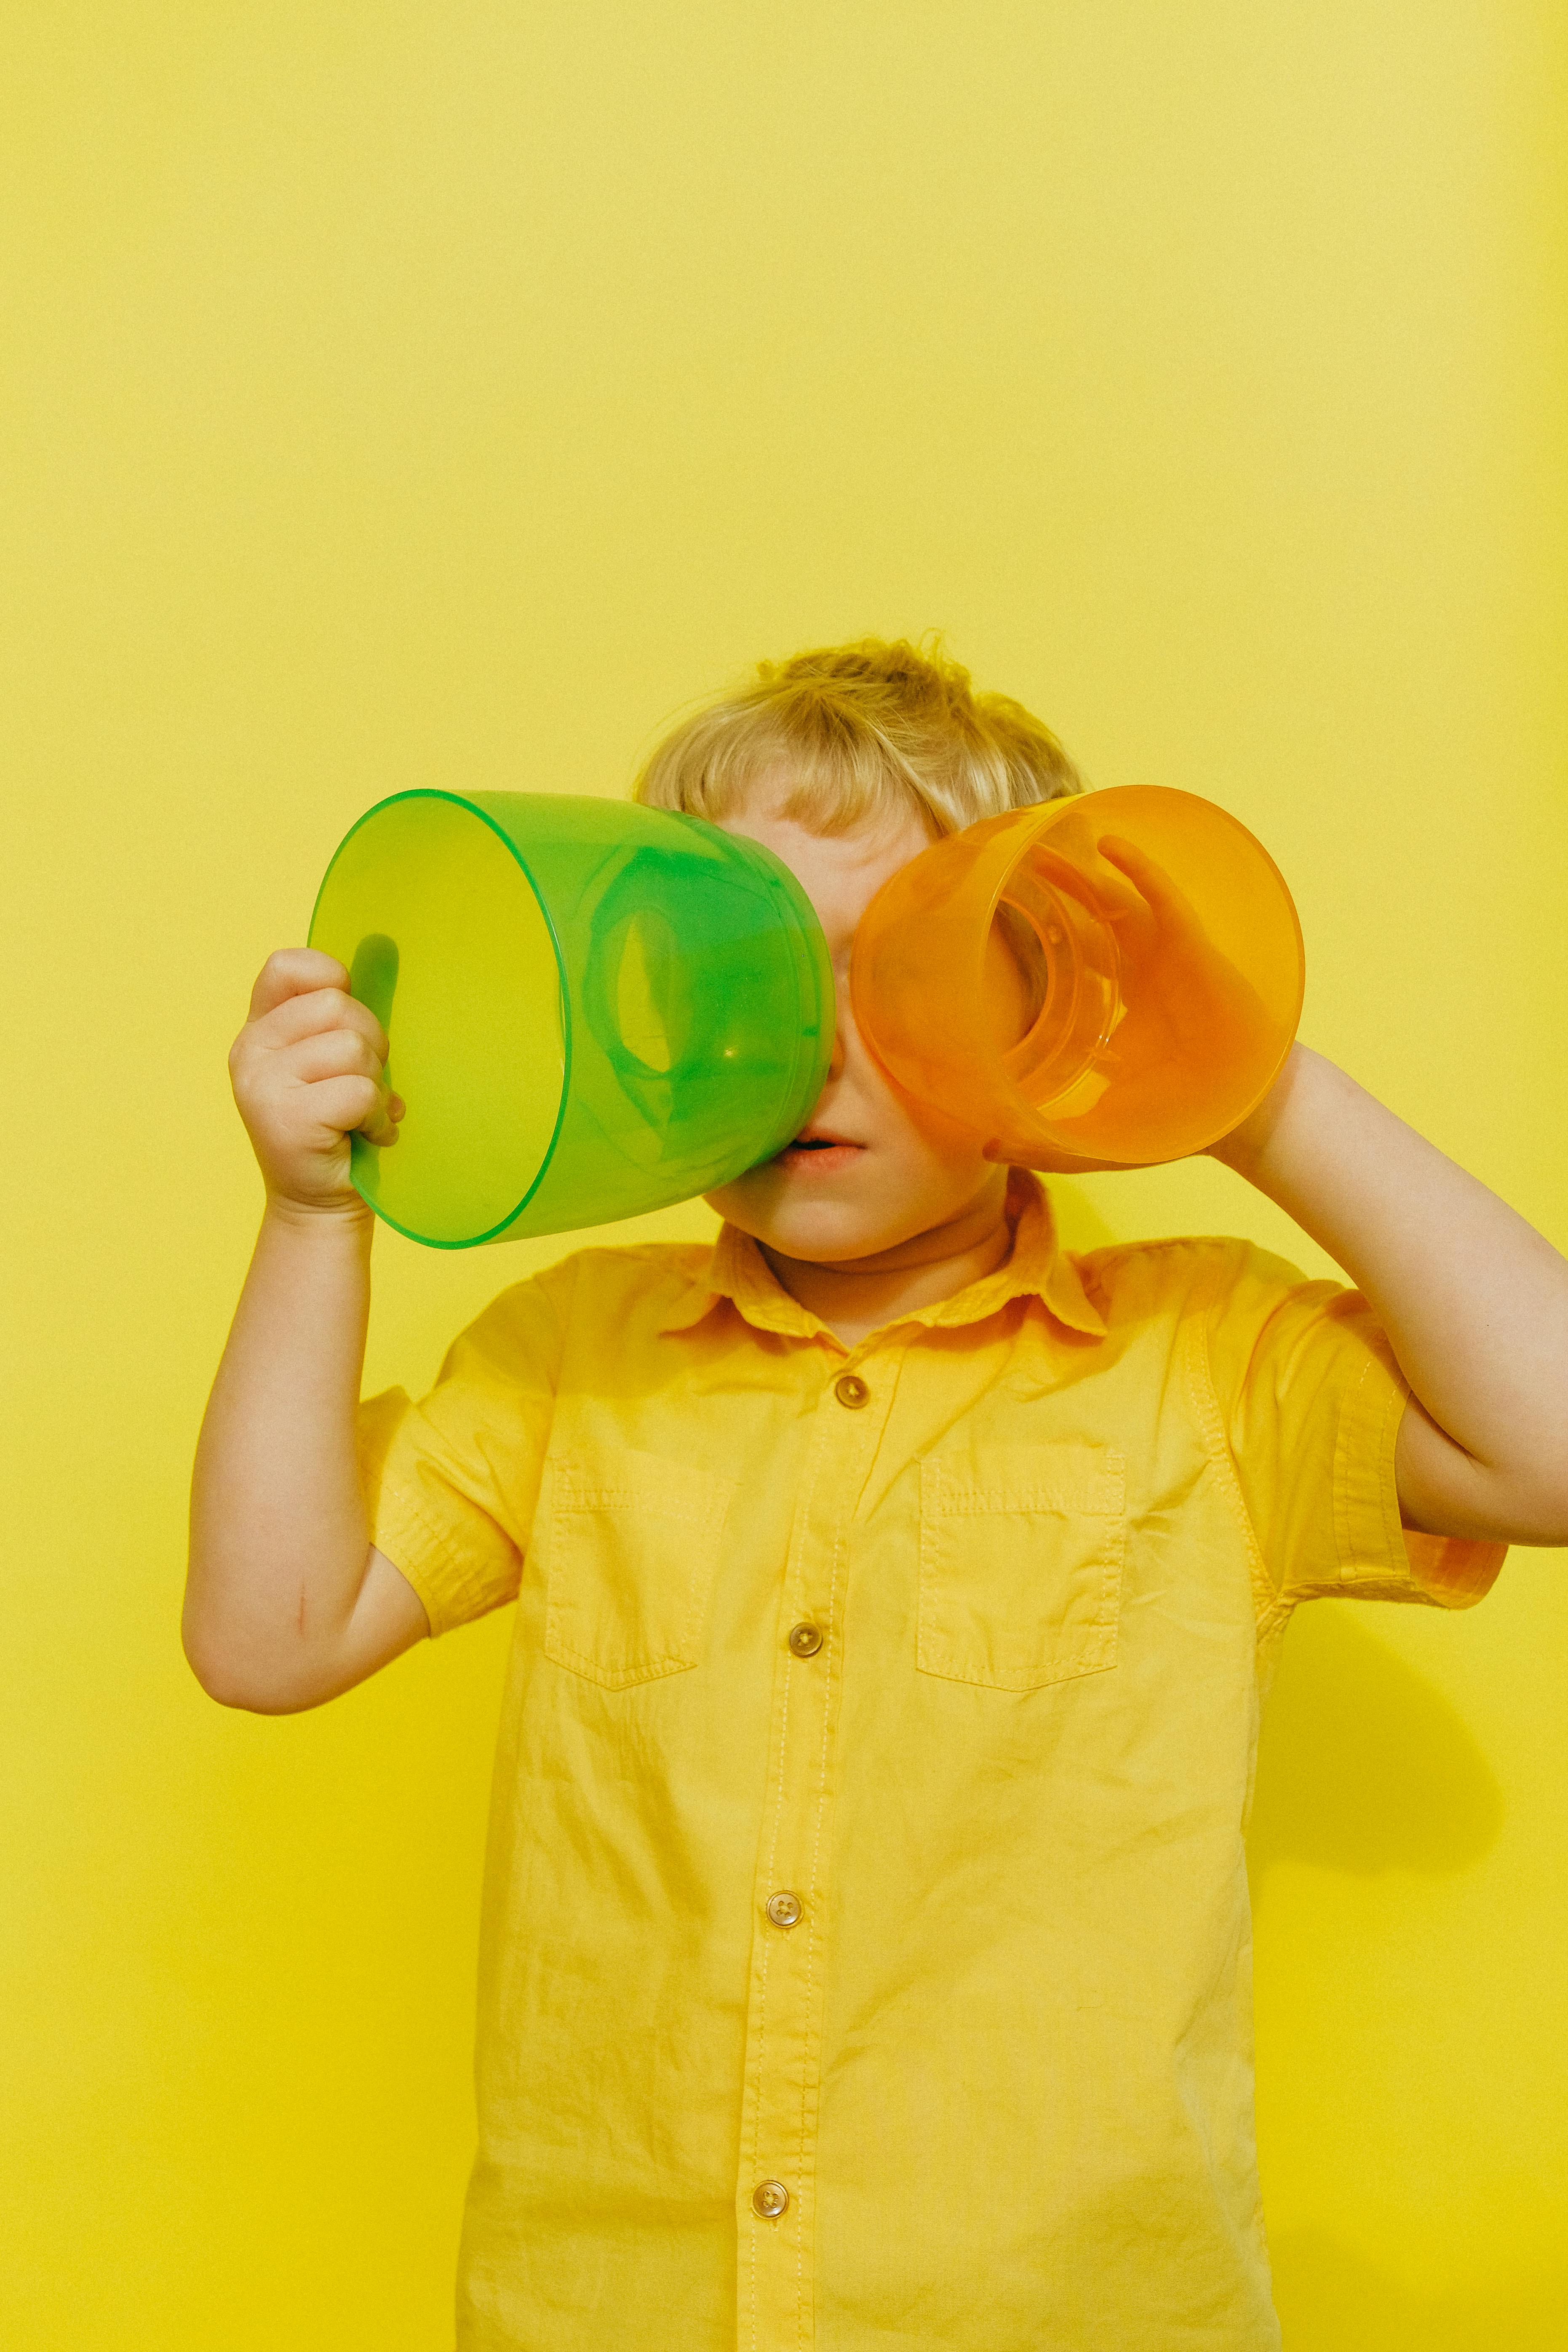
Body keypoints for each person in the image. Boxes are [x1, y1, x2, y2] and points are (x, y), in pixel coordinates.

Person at [185, 639, 1568, 2352]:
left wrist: (1233, 1073)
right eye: (731, 968)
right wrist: (317, 1218)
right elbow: (269, 1632)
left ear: (1051, 999)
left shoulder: (1204, 1361)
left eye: (896, 967)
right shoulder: (566, 1358)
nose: (807, 1048)